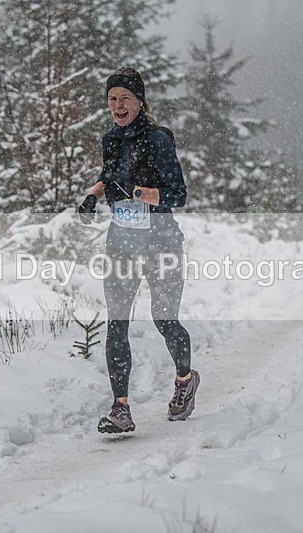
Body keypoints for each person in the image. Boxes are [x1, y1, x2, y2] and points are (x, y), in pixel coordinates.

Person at [78, 67, 200, 434]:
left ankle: (185, 378)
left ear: (140, 101)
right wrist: (92, 196)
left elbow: (178, 194)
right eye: (112, 99)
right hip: (121, 244)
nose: (117, 105)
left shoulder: (160, 139)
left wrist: (143, 194)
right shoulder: (110, 139)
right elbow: (108, 172)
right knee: (117, 324)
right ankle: (120, 408)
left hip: (162, 243)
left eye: (124, 98)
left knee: (164, 319)